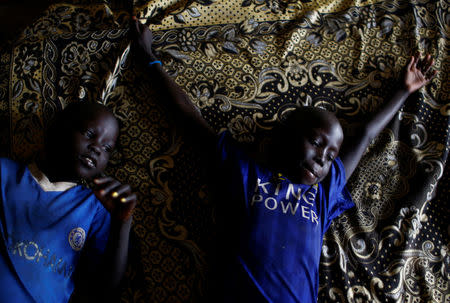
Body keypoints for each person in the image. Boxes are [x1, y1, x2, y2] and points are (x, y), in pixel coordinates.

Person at [131, 17, 436, 302]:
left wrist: (404, 90)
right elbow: (188, 116)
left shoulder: (323, 193)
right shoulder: (245, 170)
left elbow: (366, 135)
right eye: (316, 143)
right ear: (283, 138)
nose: (321, 160)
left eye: (330, 156)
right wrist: (148, 56)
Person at [0, 101, 137, 303]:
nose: (97, 148)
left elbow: (105, 290)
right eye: (89, 134)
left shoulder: (95, 208)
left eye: (107, 148)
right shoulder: (5, 173)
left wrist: (122, 223)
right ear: (58, 128)